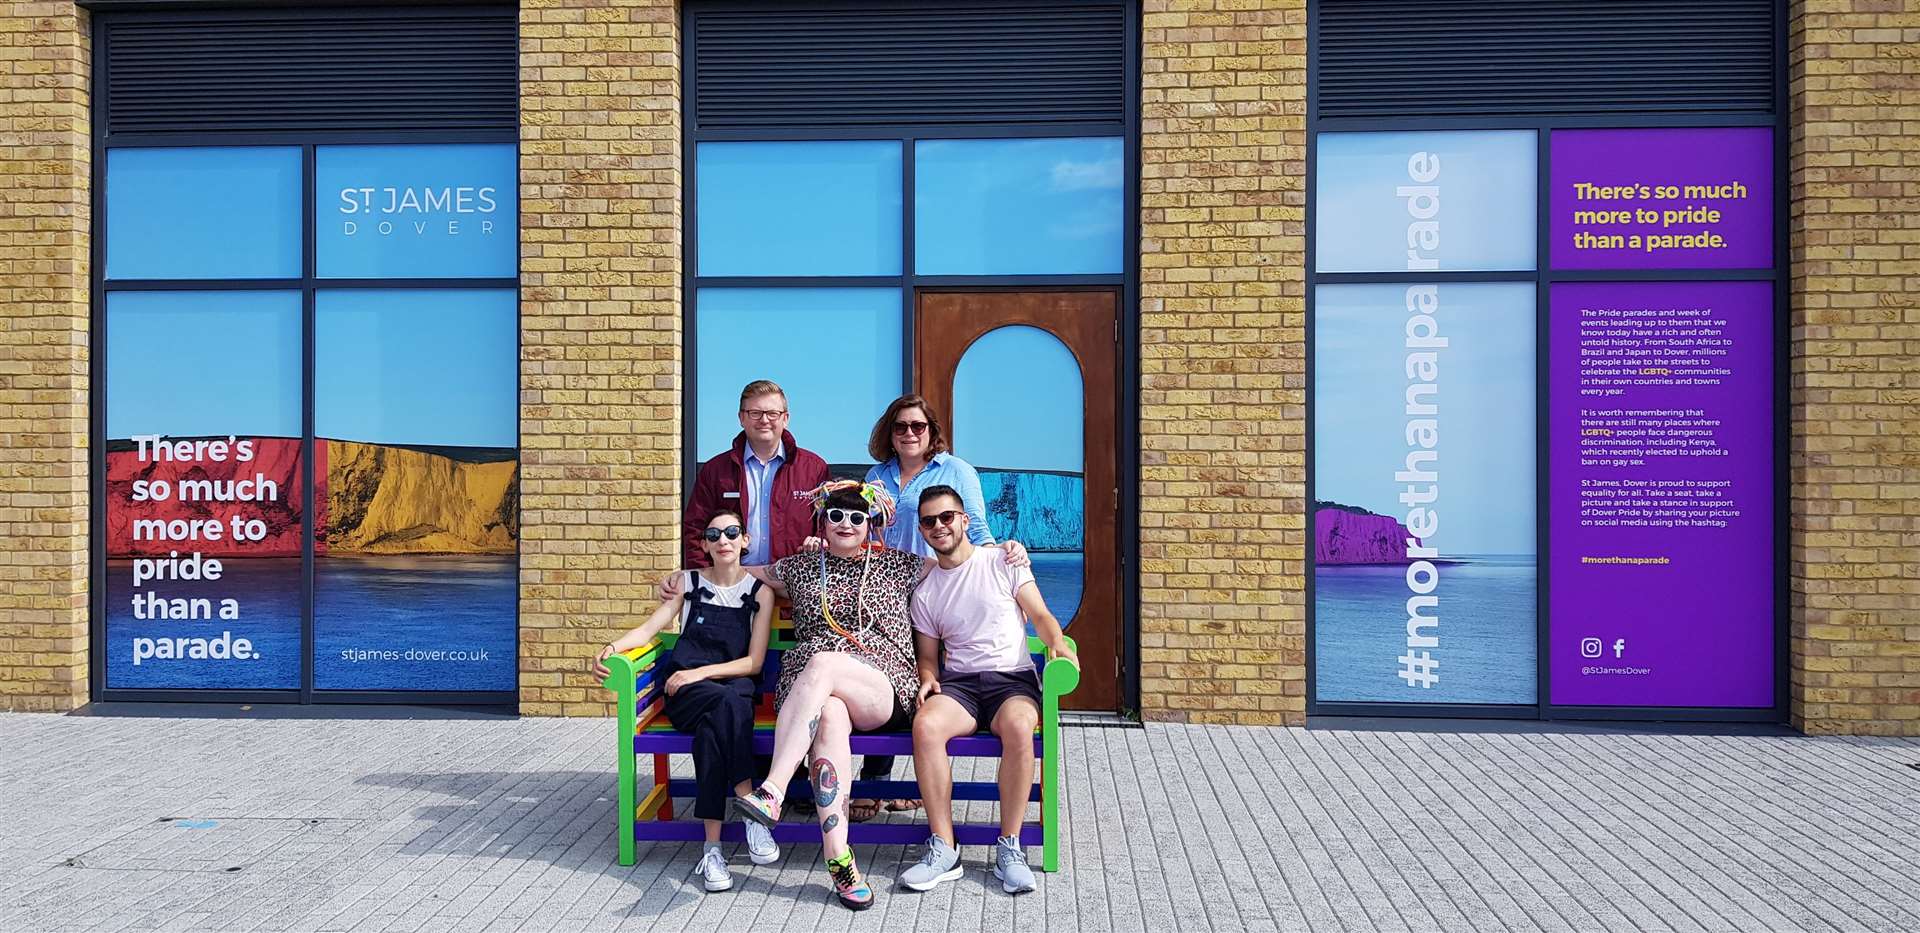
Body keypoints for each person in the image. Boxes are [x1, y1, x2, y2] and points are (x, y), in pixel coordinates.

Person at [728, 480, 923, 911]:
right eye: (836, 515)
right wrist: (681, 580)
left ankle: (774, 789)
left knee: (823, 663)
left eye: (857, 516)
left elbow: (957, 562)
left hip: (880, 684)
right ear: (823, 520)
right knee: (830, 713)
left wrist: (1006, 554)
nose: (846, 523)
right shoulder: (799, 567)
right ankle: (840, 860)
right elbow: (739, 575)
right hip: (812, 696)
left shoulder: (901, 566)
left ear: (871, 522)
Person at [898, 485, 1078, 896]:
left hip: (1011, 679)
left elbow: (1041, 614)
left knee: (1018, 726)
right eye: (929, 521)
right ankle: (944, 847)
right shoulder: (926, 590)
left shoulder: (1002, 560)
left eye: (947, 517)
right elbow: (928, 654)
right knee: (925, 725)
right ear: (922, 530)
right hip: (960, 685)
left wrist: (1057, 643)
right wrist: (927, 676)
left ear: (964, 520)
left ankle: (1009, 847)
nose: (939, 526)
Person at [593, 511, 779, 892]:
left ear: (745, 539)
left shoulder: (761, 592)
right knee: (726, 709)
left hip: (725, 685)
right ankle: (750, 808)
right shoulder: (688, 583)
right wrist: (611, 648)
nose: (723, 540)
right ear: (706, 544)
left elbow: (754, 662)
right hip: (686, 694)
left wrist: (699, 672)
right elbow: (649, 629)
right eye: (714, 534)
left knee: (715, 729)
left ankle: (712, 848)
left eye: (731, 532)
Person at [684, 379, 828, 569]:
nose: (764, 420)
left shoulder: (814, 469)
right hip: (733, 585)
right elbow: (695, 530)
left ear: (785, 418)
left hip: (792, 587)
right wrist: (705, 580)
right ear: (741, 418)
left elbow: (829, 526)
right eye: (755, 413)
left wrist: (819, 543)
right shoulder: (716, 470)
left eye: (772, 413)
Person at [864, 393, 994, 559]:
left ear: (931, 430)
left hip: (935, 579)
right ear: (890, 433)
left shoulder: (956, 471)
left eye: (918, 426)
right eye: (900, 427)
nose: (909, 433)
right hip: (881, 580)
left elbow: (977, 529)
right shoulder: (875, 475)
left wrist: (996, 561)